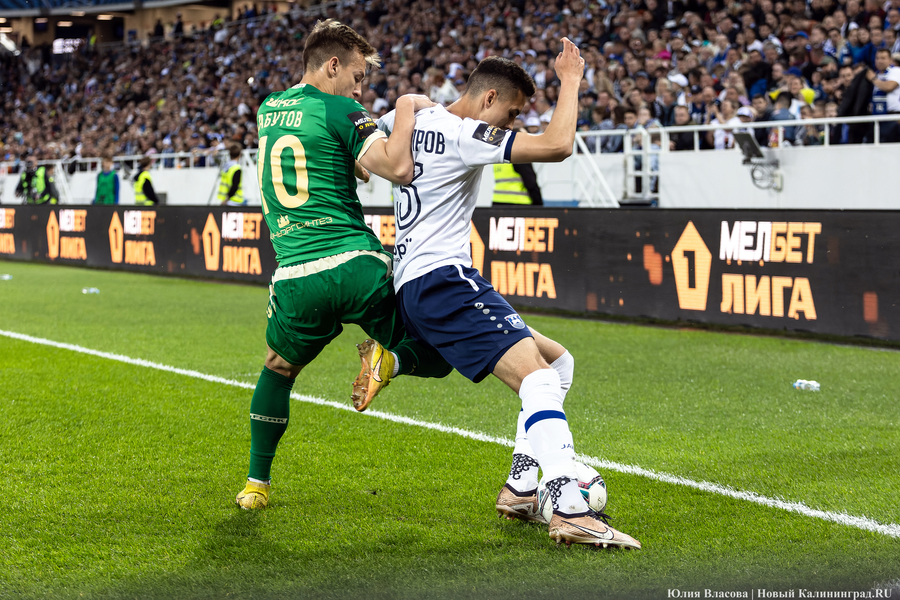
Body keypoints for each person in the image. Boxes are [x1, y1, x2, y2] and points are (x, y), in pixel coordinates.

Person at [373, 42, 641, 549]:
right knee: (538, 378)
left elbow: (382, 135)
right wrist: (570, 79)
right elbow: (559, 146)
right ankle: (568, 505)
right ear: (489, 97)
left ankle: (521, 487)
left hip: (415, 281)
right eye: (513, 113)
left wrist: (411, 102)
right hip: (444, 279)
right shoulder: (465, 133)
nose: (514, 124)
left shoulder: (412, 120)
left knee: (558, 364)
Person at [234, 19, 451, 511]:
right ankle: (387, 360)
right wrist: (404, 108)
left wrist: (358, 149)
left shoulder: (271, 108)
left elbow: (332, 155)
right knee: (439, 353)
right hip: (355, 264)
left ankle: (255, 485)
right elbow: (396, 168)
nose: (360, 88)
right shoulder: (343, 108)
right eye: (356, 76)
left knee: (277, 370)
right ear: (332, 65)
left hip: (295, 278)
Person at [867, 48, 900, 141]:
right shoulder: (877, 75)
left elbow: (889, 87)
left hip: (893, 116)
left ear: (890, 60)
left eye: (883, 58)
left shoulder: (896, 71)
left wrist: (874, 79)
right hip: (878, 117)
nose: (879, 61)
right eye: (877, 58)